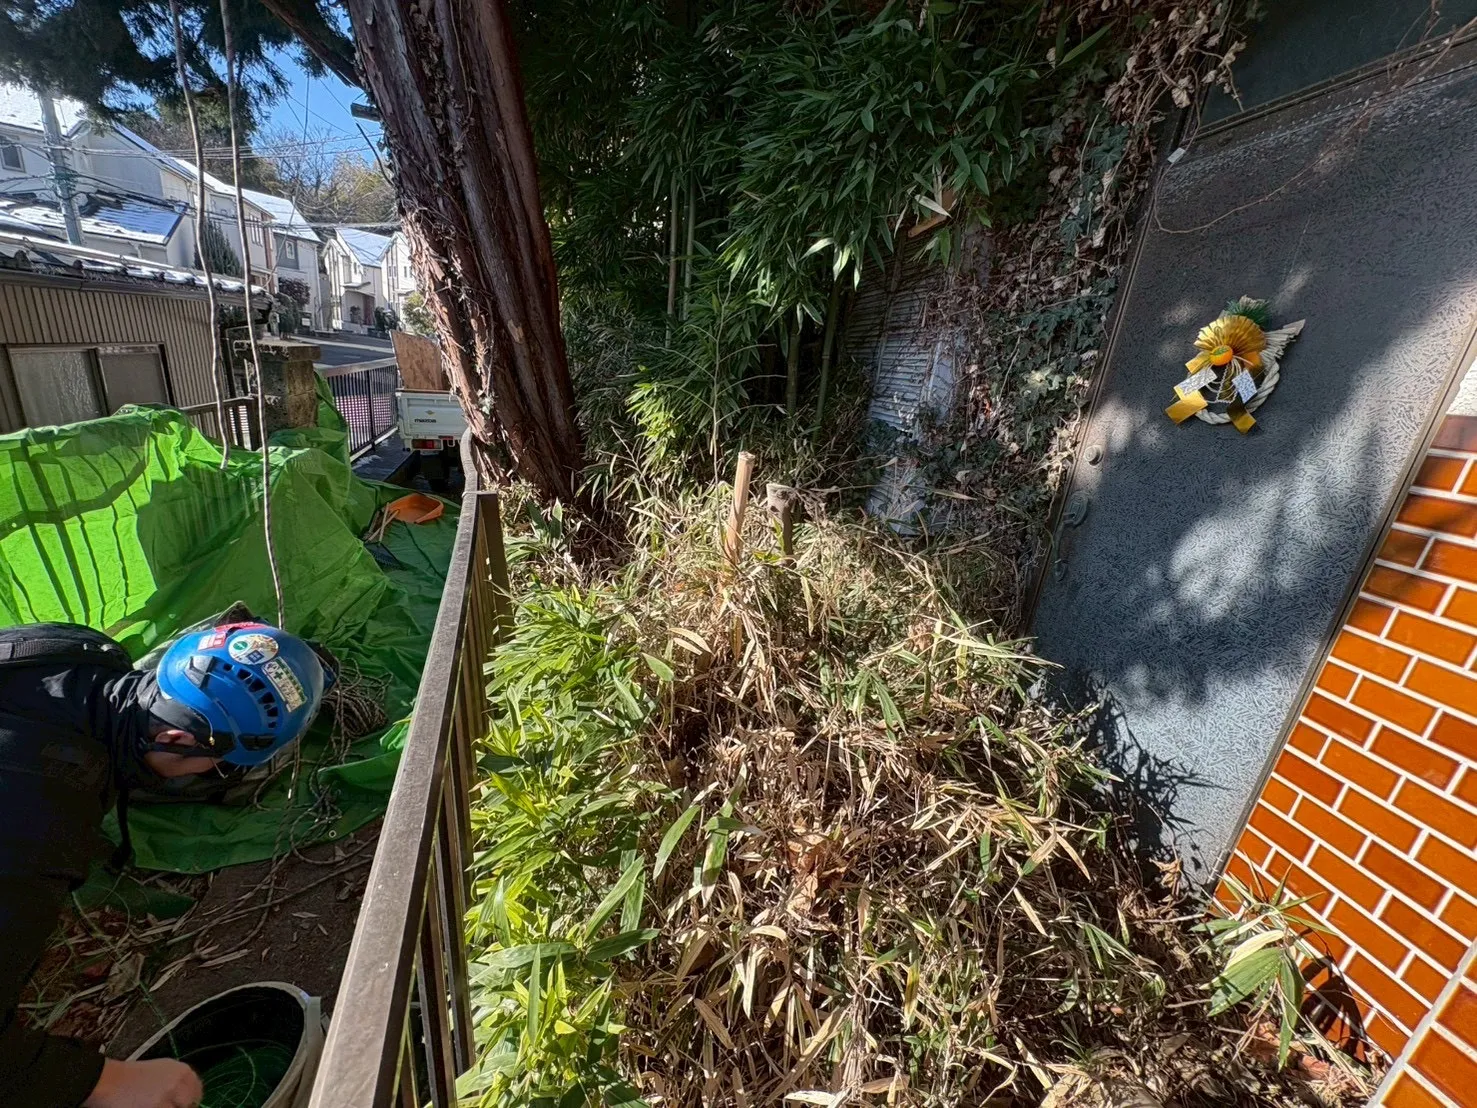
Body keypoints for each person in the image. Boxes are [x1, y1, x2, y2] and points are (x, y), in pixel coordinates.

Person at [0, 620, 332, 1108]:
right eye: (223, 766)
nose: (219, 777)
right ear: (177, 740)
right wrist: (102, 1082)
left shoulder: (73, 652)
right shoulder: (34, 829)